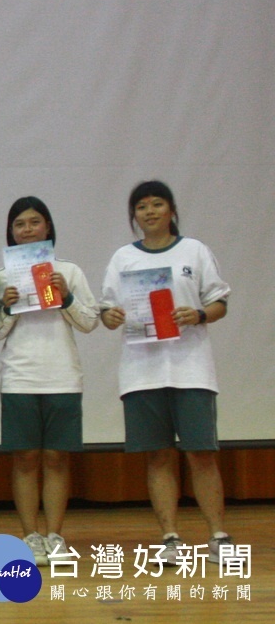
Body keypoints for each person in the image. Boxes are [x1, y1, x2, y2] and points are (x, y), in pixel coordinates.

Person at [99, 180, 233, 565]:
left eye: (158, 204)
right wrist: (111, 315)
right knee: (157, 456)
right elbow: (108, 313)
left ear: (172, 210)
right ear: (134, 216)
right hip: (142, 371)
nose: (150, 211)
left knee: (201, 455)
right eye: (142, 206)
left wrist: (199, 314)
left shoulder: (194, 251)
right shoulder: (123, 257)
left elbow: (219, 302)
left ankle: (218, 536)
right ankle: (170, 538)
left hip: (191, 369)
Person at [0, 197, 97, 564]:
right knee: (26, 458)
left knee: (55, 458)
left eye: (35, 222)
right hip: (20, 376)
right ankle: (30, 536)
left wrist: (65, 296)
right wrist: (7, 306)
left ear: (47, 227)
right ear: (11, 232)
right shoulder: (2, 277)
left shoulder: (69, 271)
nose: (28, 229)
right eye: (20, 224)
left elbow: (89, 321)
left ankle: (55, 536)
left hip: (63, 376)